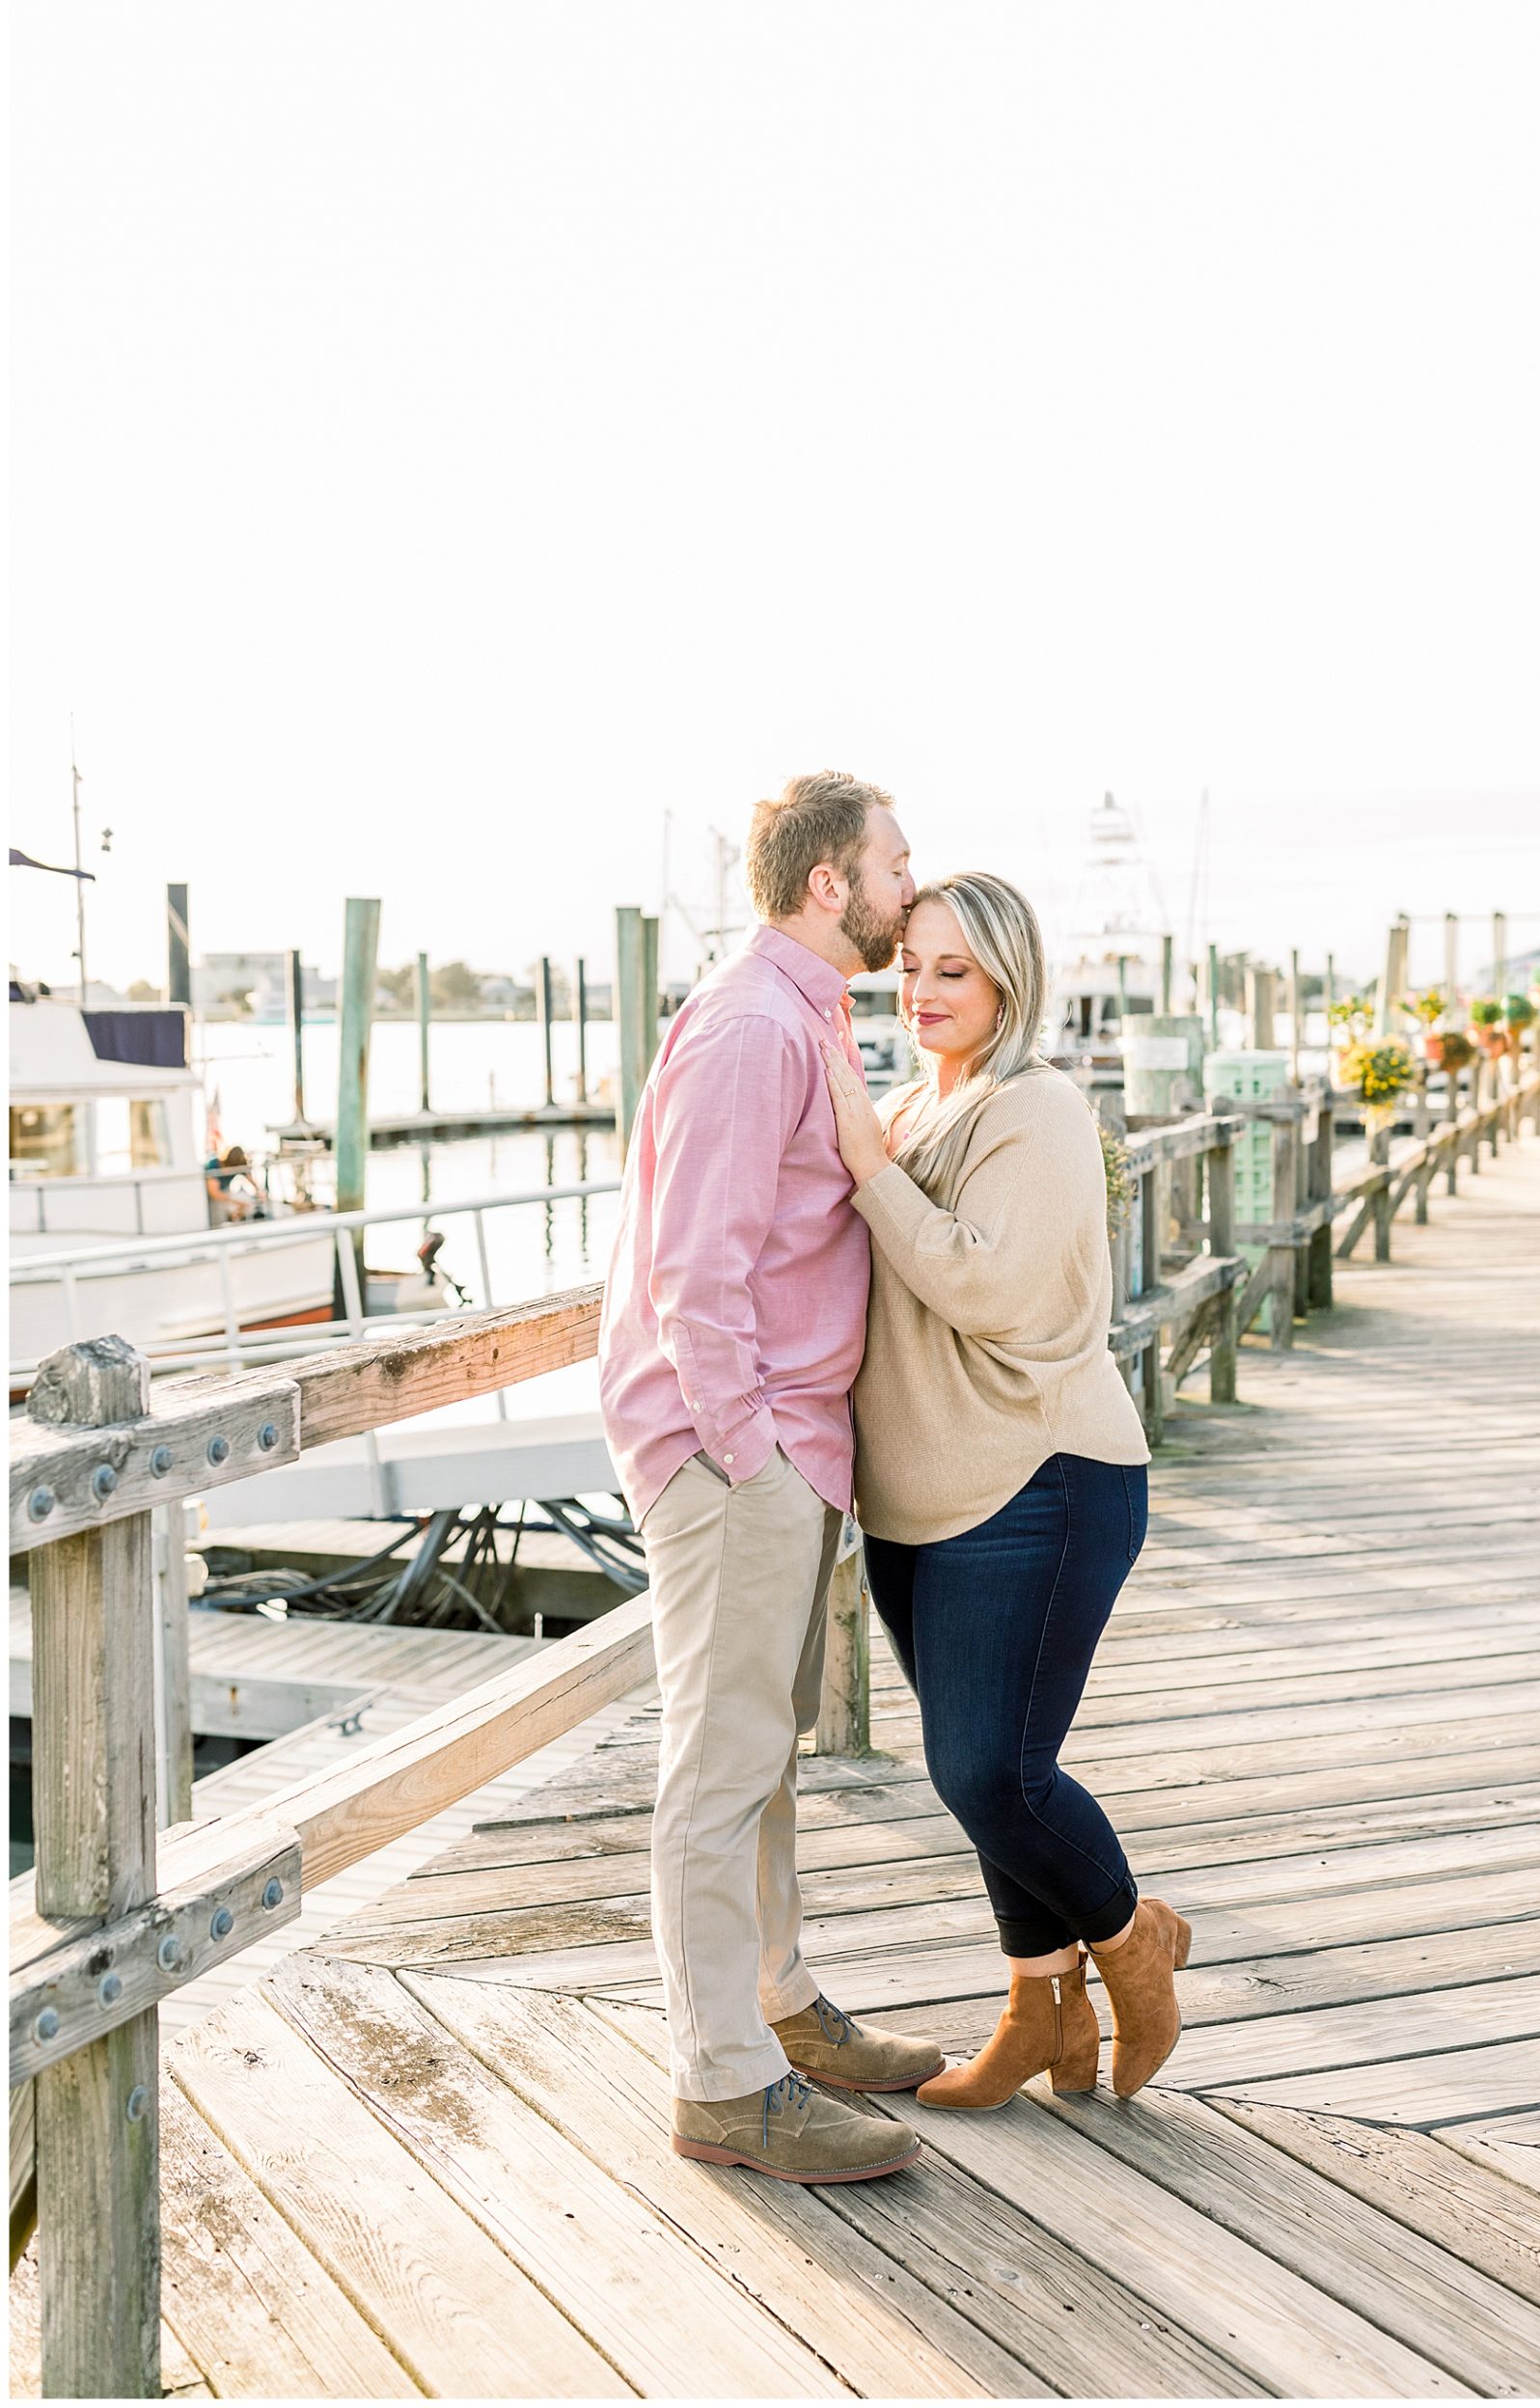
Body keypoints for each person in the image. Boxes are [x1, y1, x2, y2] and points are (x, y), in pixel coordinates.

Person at [598, 771, 940, 2183]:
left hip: (785, 1446)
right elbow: (695, 1272)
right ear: (827, 885)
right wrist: (749, 1457)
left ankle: (781, 2008)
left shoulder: (803, 1011)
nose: (911, 892)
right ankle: (723, 2082)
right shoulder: (751, 1031)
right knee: (720, 1767)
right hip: (742, 1453)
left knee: (763, 1764)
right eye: (896, 869)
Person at [818, 871, 1191, 2109]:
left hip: (1040, 1478)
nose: (920, 991)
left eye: (952, 971)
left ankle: (1137, 1939)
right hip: (919, 1497)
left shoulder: (1034, 1106)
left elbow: (990, 1287)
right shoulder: (921, 1105)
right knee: (987, 1770)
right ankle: (1040, 2008)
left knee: (991, 1775)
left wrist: (862, 1158)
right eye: (910, 965)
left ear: (1009, 982)